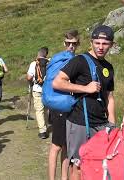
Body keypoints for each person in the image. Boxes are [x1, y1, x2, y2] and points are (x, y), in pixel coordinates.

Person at [52, 25, 116, 180]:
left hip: (101, 123)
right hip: (80, 121)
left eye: (105, 43)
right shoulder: (80, 60)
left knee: (98, 166)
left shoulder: (108, 67)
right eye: (97, 42)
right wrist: (85, 88)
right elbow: (57, 82)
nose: (101, 47)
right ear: (91, 42)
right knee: (78, 167)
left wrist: (112, 125)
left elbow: (109, 96)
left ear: (111, 45)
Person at [48, 30, 80, 180]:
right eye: (69, 43)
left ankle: (64, 178)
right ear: (64, 43)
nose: (71, 47)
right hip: (61, 106)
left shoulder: (55, 59)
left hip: (62, 106)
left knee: (66, 146)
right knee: (56, 146)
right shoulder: (66, 60)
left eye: (74, 44)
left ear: (78, 44)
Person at [26, 47, 49, 139]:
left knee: (39, 110)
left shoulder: (34, 63)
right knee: (46, 110)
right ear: (46, 54)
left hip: (37, 89)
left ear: (38, 54)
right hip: (47, 90)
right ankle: (46, 127)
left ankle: (42, 131)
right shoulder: (50, 63)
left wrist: (31, 82)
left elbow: (29, 77)